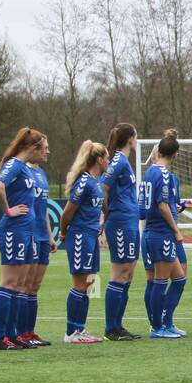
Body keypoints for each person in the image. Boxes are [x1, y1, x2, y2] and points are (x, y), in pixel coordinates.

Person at [0, 128, 45, 349]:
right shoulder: (13, 164)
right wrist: (8, 210)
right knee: (9, 282)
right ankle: (0, 337)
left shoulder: (24, 168)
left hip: (26, 230)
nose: (43, 153)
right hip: (14, 229)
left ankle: (12, 334)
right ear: (31, 148)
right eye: (41, 148)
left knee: (19, 284)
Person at [141, 130, 188, 339]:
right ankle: (158, 327)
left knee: (178, 279)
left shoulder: (149, 172)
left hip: (150, 231)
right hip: (161, 233)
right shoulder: (164, 174)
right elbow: (161, 204)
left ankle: (165, 322)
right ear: (175, 154)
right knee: (160, 280)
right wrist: (176, 230)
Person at [61, 140, 108, 343]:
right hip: (80, 236)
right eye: (106, 158)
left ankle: (80, 330)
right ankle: (71, 332)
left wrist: (101, 221)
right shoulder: (84, 182)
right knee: (80, 284)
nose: (108, 162)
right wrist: (63, 233)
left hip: (91, 237)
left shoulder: (96, 182)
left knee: (89, 284)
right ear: (99, 159)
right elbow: (67, 213)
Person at [99, 124, 143, 341]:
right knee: (120, 272)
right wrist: (106, 214)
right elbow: (102, 187)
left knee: (129, 272)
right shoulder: (117, 160)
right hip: (120, 221)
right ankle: (111, 328)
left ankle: (118, 325)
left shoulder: (124, 161)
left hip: (130, 220)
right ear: (130, 139)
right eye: (136, 136)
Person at [15, 143, 55, 347]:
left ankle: (29, 332)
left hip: (42, 235)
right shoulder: (22, 172)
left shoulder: (42, 174)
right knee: (24, 285)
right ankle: (19, 333)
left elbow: (43, 208)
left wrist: (49, 236)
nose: (48, 151)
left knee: (34, 286)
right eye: (44, 148)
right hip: (28, 233)